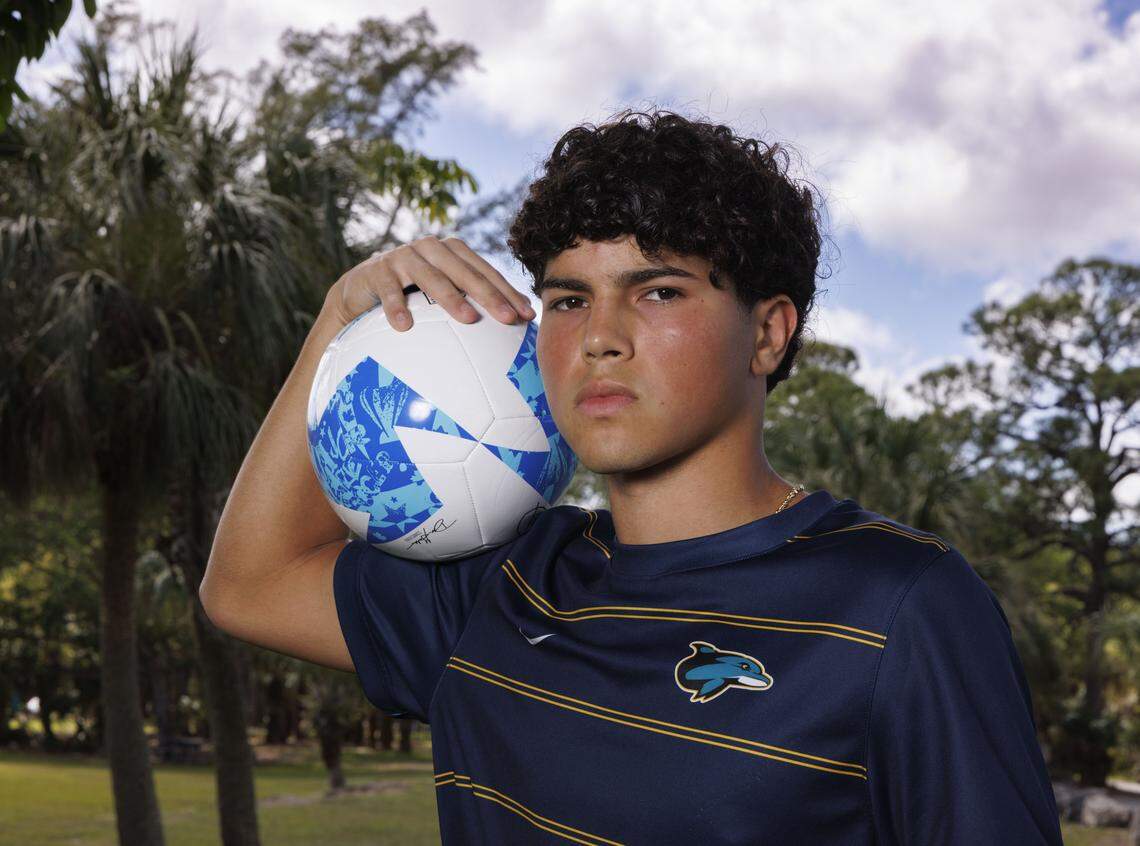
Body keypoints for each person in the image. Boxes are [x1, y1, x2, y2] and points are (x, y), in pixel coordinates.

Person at [202, 107, 1063, 844]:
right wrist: (343, 321)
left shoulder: (901, 605)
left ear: (768, 334)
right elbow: (248, 584)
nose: (598, 336)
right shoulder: (500, 585)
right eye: (569, 299)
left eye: (657, 292)